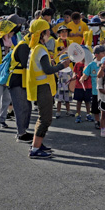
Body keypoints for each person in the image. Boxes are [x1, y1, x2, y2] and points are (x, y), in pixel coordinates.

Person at [26, 19, 70, 159]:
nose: (49, 33)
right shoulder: (40, 49)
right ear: (41, 33)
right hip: (43, 87)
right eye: (47, 31)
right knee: (45, 119)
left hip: (39, 86)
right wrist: (63, 65)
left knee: (43, 118)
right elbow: (48, 70)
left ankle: (37, 144)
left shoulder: (35, 48)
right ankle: (35, 148)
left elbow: (43, 66)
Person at [79, 45, 105, 130]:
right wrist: (82, 78)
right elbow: (86, 74)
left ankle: (104, 121)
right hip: (95, 91)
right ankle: (97, 121)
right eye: (103, 53)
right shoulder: (91, 64)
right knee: (95, 108)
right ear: (96, 54)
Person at [53, 26, 73, 118]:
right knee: (58, 92)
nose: (64, 33)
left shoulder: (71, 43)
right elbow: (53, 55)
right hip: (58, 69)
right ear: (59, 33)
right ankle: (58, 110)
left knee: (68, 93)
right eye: (62, 32)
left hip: (69, 69)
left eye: (66, 31)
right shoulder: (55, 42)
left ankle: (68, 110)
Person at [72, 55, 93, 124]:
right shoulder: (77, 63)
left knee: (88, 101)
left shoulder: (90, 64)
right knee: (79, 101)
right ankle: (78, 115)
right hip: (78, 85)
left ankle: (88, 114)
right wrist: (74, 75)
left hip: (88, 86)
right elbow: (74, 71)